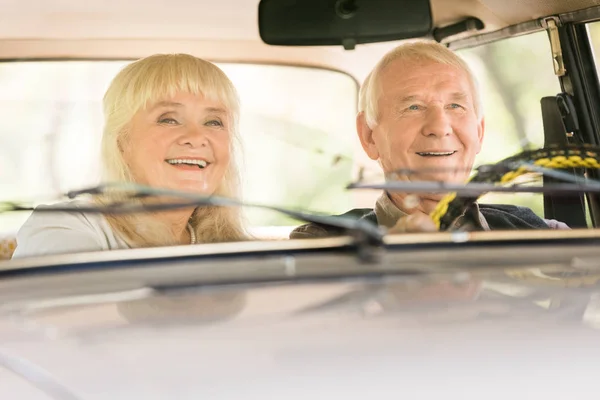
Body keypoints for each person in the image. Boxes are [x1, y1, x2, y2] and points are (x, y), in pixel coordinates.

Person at [291, 41, 568, 239]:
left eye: (456, 106)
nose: (439, 127)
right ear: (369, 136)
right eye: (413, 107)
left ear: (479, 132)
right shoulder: (324, 245)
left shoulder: (538, 233)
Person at [12, 54, 247, 258]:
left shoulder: (240, 249)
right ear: (122, 141)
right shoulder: (65, 226)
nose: (196, 137)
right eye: (168, 119)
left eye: (214, 122)